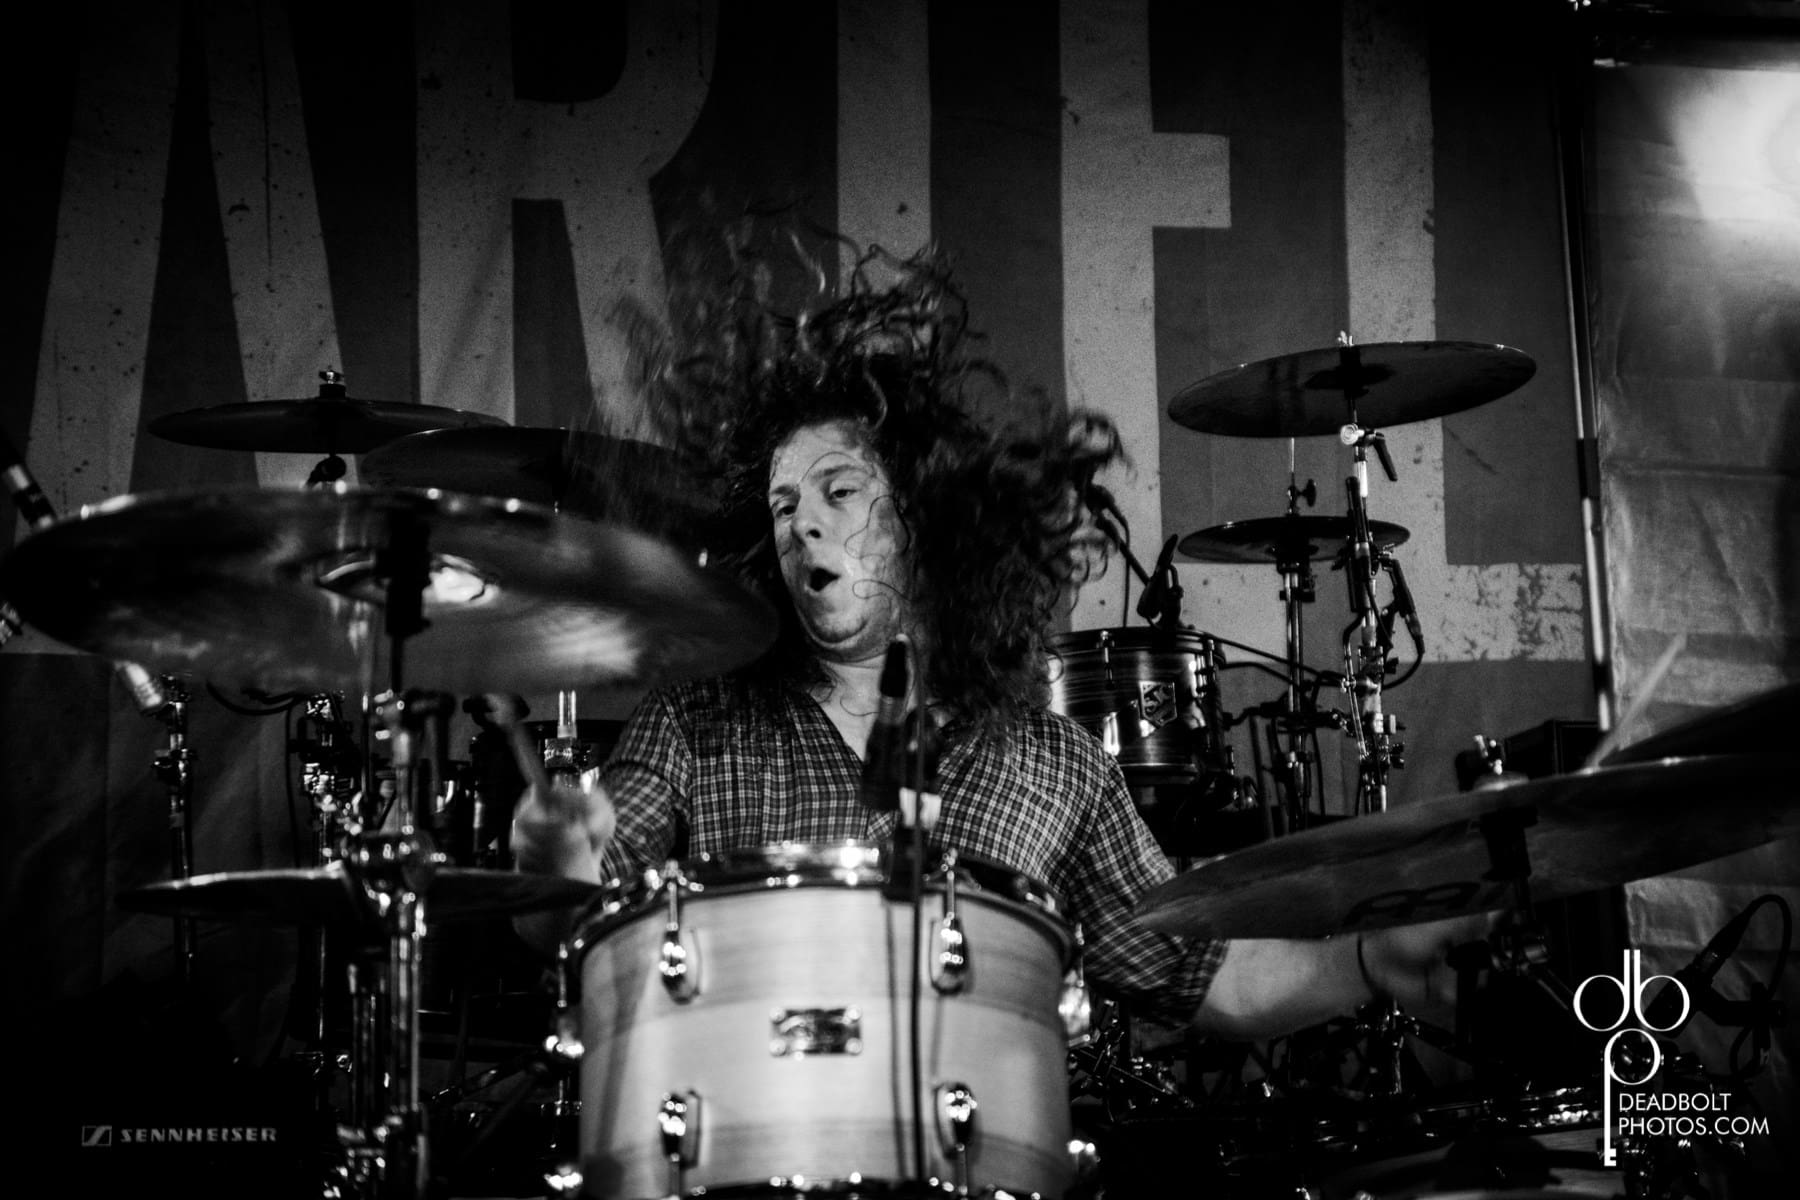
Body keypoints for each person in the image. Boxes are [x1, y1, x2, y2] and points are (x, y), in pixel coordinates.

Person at [508, 246, 1482, 1040]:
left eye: (839, 491)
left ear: (923, 512)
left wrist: (1370, 960)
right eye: (783, 504)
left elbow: (1213, 979)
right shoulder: (696, 717)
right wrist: (554, 859)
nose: (803, 522)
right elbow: (572, 920)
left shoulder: (1053, 763)